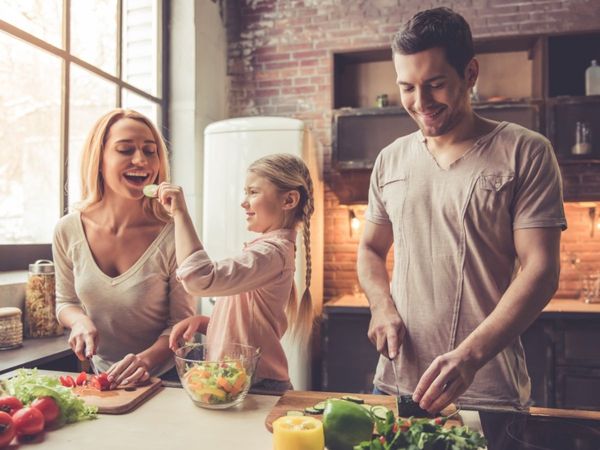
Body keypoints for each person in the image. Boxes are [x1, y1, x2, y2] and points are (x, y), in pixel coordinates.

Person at [357, 7, 566, 413]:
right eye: (407, 87)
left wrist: (469, 356)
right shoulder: (390, 159)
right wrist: (380, 305)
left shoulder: (525, 151)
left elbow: (542, 270)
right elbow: (369, 249)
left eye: (435, 84)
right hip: (398, 382)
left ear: (470, 74)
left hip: (487, 391)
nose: (421, 103)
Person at [53, 109, 195, 387]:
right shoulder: (67, 230)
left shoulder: (173, 233)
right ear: (99, 159)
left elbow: (182, 325)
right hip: (102, 378)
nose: (141, 160)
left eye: (150, 151)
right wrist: (79, 321)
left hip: (166, 380)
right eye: (125, 149)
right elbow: (65, 302)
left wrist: (145, 361)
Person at [161, 153, 315, 393]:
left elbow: (199, 279)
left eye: (253, 192)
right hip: (244, 382)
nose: (244, 202)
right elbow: (250, 326)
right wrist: (205, 324)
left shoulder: (271, 253)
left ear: (289, 200)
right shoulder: (268, 251)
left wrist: (180, 214)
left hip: (258, 386)